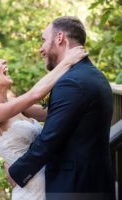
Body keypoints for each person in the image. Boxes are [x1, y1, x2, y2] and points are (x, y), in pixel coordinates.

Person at [7, 16, 116, 200]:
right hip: (94, 183)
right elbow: (68, 119)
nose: (41, 49)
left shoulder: (71, 82)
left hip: (74, 188)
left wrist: (17, 171)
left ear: (59, 38)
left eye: (43, 40)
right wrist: (24, 107)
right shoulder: (92, 74)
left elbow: (49, 140)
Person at [0, 42, 87, 199]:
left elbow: (53, 114)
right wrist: (67, 61)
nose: (4, 61)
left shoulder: (12, 100)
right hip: (31, 192)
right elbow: (34, 94)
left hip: (53, 184)